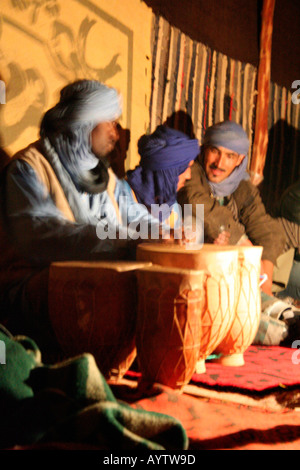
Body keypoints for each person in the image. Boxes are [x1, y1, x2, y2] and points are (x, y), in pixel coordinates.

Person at [0, 79, 161, 354]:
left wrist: (163, 234)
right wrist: (124, 244)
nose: (115, 132)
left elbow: (136, 218)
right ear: (84, 123)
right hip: (31, 291)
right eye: (109, 122)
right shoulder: (27, 169)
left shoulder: (104, 176)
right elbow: (46, 236)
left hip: (91, 283)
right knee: (100, 286)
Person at [177, 120, 300, 346]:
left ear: (240, 160)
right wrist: (241, 240)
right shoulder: (191, 174)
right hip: (208, 275)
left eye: (229, 156)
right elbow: (196, 204)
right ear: (205, 150)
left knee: (275, 237)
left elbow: (267, 231)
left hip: (247, 276)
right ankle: (280, 326)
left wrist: (263, 281)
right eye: (215, 151)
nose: (219, 163)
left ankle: (274, 309)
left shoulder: (242, 187)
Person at [126, 125, 200, 231]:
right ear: (168, 170)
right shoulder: (122, 195)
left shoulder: (171, 206)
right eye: (185, 168)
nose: (189, 176)